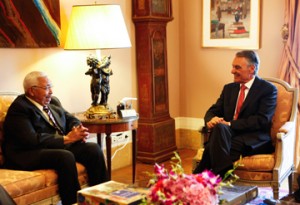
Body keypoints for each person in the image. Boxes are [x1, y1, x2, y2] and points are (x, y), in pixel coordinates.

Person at [2, 71, 108, 205]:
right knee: (64, 156)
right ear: (32, 91)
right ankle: (73, 202)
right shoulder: (20, 108)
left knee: (93, 149)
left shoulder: (52, 101)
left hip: (52, 146)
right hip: (26, 153)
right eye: (46, 88)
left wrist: (77, 129)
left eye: (50, 86)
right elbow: (31, 139)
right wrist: (66, 139)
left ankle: (102, 198)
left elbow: (70, 119)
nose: (51, 91)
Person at [193, 50, 277, 177]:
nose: (232, 71)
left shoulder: (268, 90)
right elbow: (213, 110)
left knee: (214, 145)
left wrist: (230, 124)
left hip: (253, 137)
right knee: (220, 128)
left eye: (237, 67)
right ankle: (222, 178)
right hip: (227, 134)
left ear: (252, 69)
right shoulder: (229, 88)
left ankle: (199, 175)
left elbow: (262, 120)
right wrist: (211, 119)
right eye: (233, 67)